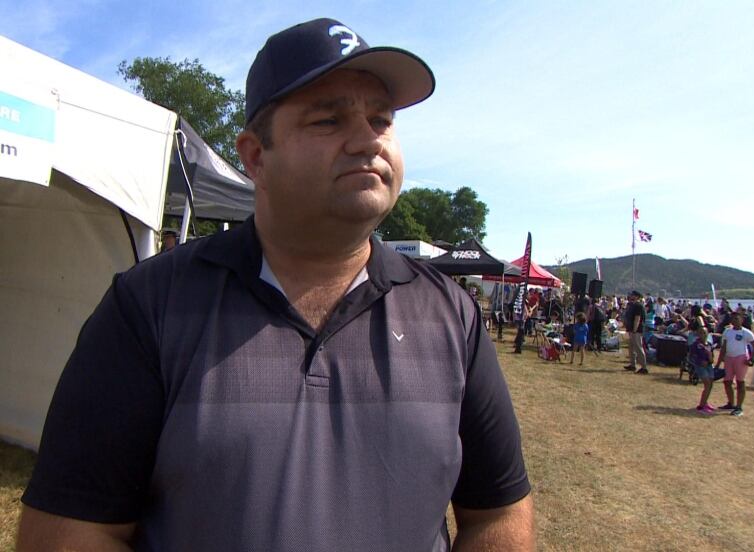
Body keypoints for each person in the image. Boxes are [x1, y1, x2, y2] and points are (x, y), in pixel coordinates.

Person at [16, 19, 534, 551]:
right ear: (256, 157)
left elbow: (497, 516)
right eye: (328, 120)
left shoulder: (452, 316)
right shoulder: (151, 307)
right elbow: (67, 533)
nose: (367, 141)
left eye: (381, 119)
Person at [715, 311, 754, 417]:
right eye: (733, 319)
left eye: (737, 319)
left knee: (740, 383)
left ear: (741, 320)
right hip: (729, 358)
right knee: (727, 382)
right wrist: (718, 363)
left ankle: (739, 407)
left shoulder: (746, 332)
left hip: (741, 358)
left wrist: (751, 358)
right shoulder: (727, 332)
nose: (734, 321)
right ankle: (731, 403)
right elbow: (723, 348)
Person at [689, 327, 716, 413]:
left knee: (710, 384)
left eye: (704, 333)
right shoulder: (695, 345)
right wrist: (699, 362)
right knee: (707, 384)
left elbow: (712, 358)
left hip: (709, 366)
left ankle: (705, 402)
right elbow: (691, 357)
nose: (703, 335)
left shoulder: (709, 345)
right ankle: (701, 406)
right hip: (700, 367)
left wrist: (710, 357)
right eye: (701, 333)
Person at [623, 290, 648, 374]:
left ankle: (644, 367)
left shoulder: (638, 306)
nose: (631, 296)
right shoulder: (632, 305)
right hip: (631, 329)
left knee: (638, 347)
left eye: (633, 295)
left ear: (637, 296)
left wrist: (634, 329)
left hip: (637, 330)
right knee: (631, 347)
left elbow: (637, 318)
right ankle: (632, 364)